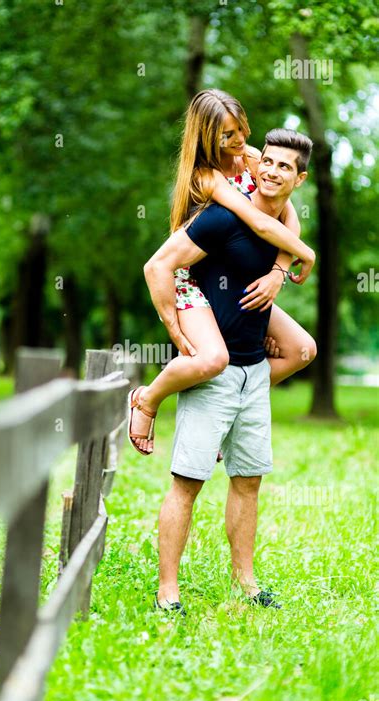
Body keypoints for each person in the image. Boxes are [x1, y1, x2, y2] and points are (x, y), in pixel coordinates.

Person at [144, 127, 314, 612]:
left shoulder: (284, 222)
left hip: (254, 372)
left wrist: (282, 272)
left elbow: (287, 238)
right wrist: (177, 332)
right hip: (214, 374)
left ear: (298, 180)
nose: (274, 171)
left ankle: (246, 581)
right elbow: (163, 264)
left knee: (248, 481)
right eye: (270, 162)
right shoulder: (221, 218)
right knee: (188, 482)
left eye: (286, 167)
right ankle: (168, 590)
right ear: (258, 165)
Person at [128, 90, 317, 455]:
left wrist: (279, 270)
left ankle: (231, 407)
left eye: (241, 129)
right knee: (213, 358)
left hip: (235, 282)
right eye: (227, 135)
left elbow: (288, 215)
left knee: (302, 349)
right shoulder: (206, 177)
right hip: (191, 281)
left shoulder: (251, 158)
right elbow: (260, 223)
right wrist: (174, 327)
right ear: (205, 137)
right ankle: (147, 399)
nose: (240, 140)